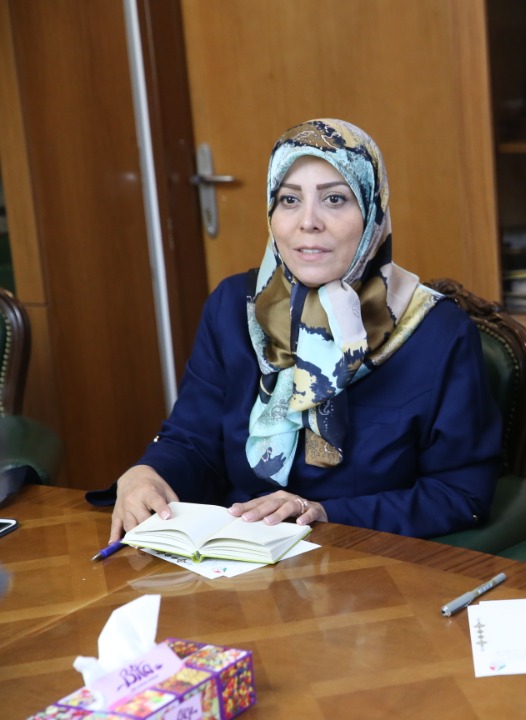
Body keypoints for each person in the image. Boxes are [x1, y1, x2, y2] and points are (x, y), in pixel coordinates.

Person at [96, 118, 502, 543]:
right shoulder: (234, 307)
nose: (308, 221)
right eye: (289, 199)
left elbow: (461, 493)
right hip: (240, 556)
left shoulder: (435, 331)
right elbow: (193, 440)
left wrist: (323, 514)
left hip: (371, 560)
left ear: (372, 211)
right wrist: (148, 472)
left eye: (335, 199)